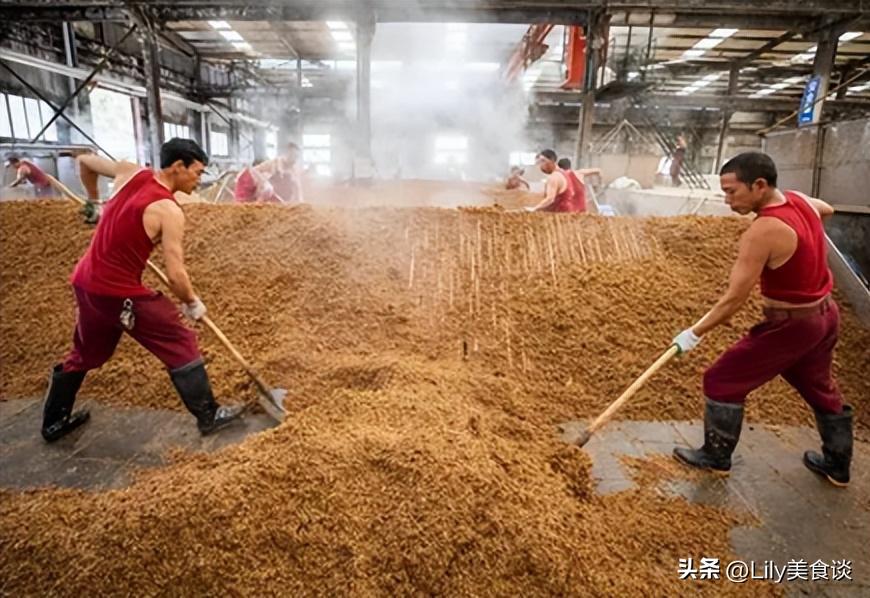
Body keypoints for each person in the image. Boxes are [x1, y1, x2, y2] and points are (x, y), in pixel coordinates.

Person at [41, 138, 244, 442]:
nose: (199, 180)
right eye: (198, 172)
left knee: (88, 352)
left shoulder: (129, 172)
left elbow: (85, 162)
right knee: (179, 339)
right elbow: (176, 273)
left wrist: (94, 202)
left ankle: (53, 422)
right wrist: (192, 303)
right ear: (178, 166)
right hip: (116, 291)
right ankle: (209, 415)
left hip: (85, 283)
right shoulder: (169, 210)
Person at [671, 151, 852, 487]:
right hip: (825, 315)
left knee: (721, 379)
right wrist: (805, 248)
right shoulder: (800, 201)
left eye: (732, 192)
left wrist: (693, 334)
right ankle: (837, 465)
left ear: (759, 185)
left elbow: (734, 299)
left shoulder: (764, 230)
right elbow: (827, 209)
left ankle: (716, 457)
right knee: (820, 386)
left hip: (791, 325)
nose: (727, 200)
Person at [531, 149, 600, 213]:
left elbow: (550, 199)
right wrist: (599, 182)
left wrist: (534, 209)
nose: (541, 165)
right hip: (579, 212)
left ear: (553, 161)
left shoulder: (555, 177)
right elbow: (597, 170)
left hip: (563, 215)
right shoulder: (576, 173)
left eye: (543, 161)